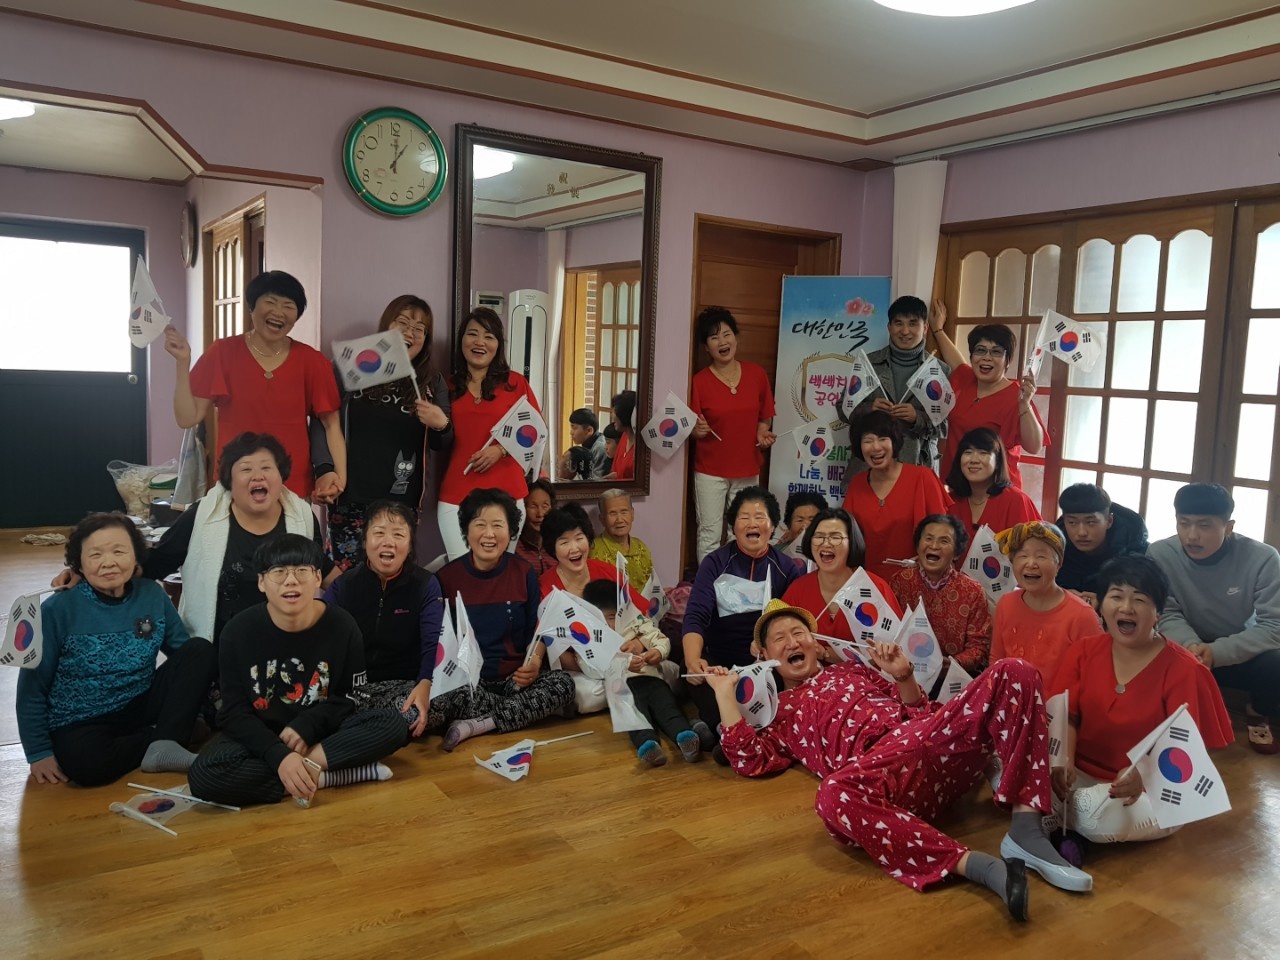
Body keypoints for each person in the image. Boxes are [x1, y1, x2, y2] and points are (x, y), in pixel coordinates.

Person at [712, 599, 1092, 918]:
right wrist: (724, 694)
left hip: (932, 741)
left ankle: (1026, 828)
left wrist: (904, 675)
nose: (792, 642)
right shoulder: (778, 712)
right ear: (764, 655)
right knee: (832, 794)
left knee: (1016, 670)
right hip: (888, 778)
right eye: (779, 639)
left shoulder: (852, 669)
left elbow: (919, 711)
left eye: (799, 633)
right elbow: (749, 758)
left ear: (816, 643)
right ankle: (975, 866)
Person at [50, 432, 333, 645]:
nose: (257, 476)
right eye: (246, 469)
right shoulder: (203, 516)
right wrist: (86, 573)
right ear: (229, 482)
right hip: (217, 645)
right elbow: (156, 564)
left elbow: (321, 568)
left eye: (267, 468)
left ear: (281, 476)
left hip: (286, 641)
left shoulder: (301, 516)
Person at [187, 535, 408, 807]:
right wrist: (278, 755)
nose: (291, 581)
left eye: (302, 570)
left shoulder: (342, 625)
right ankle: (329, 776)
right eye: (278, 572)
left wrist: (308, 726)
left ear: (317, 578)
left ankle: (304, 771)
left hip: (323, 734)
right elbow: (233, 712)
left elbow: (351, 697)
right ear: (261, 582)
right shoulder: (237, 633)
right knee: (204, 776)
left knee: (394, 724)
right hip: (264, 737)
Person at [1047, 556, 1233, 858]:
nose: (1126, 608)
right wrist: (1063, 760)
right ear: (1101, 605)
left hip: (1150, 793)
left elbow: (1185, 753)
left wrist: (1145, 776)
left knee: (1093, 813)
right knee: (1009, 766)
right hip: (1082, 775)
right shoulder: (1083, 651)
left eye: (1140, 599)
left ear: (1158, 612)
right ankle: (1065, 824)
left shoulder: (1184, 670)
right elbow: (1067, 716)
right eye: (1116, 596)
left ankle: (1055, 821)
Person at [18, 512, 216, 786]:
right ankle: (163, 738)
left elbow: (183, 653)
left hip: (139, 702)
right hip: (82, 719)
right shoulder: (57, 610)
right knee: (85, 765)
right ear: (79, 564)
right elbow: (31, 687)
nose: (108, 562)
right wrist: (38, 751)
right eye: (95, 555)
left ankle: (164, 743)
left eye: (119, 551)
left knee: (200, 650)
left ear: (136, 557)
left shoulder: (152, 594)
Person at [163, 270, 343, 499]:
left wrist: (339, 479)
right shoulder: (223, 352)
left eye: (288, 306)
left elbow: (331, 425)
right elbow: (187, 418)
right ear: (252, 307)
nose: (279, 312)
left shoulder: (312, 361)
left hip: (292, 488)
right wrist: (182, 362)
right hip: (236, 485)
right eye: (270, 302)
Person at [311, 295, 453, 569]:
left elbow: (442, 441)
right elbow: (322, 421)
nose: (410, 333)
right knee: (345, 580)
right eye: (403, 322)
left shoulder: (431, 382)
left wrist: (441, 423)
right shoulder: (353, 366)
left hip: (401, 502)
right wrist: (324, 469)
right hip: (350, 496)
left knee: (394, 578)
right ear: (386, 325)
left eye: (420, 329)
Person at [431, 488, 576, 750]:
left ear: (510, 532)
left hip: (515, 681)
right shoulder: (446, 578)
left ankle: (478, 723)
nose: (489, 534)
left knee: (563, 684)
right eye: (480, 525)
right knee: (439, 700)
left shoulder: (522, 572)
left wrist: (534, 663)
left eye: (497, 525)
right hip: (468, 685)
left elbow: (537, 630)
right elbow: (440, 645)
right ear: (466, 531)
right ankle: (513, 714)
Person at [1147, 483, 1280, 753]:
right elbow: (1165, 611)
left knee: (1274, 662)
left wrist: (1215, 652)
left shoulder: (1263, 558)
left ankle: (1257, 712)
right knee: (1143, 642)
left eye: (1204, 526)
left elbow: (1273, 625)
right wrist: (1191, 646)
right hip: (1184, 645)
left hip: (1237, 646)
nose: (1191, 535)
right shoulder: (1160, 554)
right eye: (1183, 523)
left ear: (1228, 527)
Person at [682, 486, 801, 736]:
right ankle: (724, 730)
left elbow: (792, 623)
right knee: (696, 672)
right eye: (744, 517)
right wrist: (693, 661)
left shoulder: (787, 568)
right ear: (733, 526)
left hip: (765, 662)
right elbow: (696, 615)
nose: (752, 523)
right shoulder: (715, 563)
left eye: (760, 517)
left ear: (772, 526)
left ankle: (726, 732)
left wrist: (767, 649)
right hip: (719, 662)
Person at [323, 501, 443, 738]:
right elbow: (322, 636)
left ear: (409, 545)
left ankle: (359, 731)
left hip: (406, 686)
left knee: (426, 707)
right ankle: (372, 731)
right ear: (364, 540)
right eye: (379, 533)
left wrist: (425, 682)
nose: (388, 541)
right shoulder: (344, 586)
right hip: (354, 690)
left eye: (398, 534)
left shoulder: (425, 584)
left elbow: (434, 643)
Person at [436, 308, 542, 561]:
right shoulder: (446, 386)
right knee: (461, 570)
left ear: (498, 345)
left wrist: (501, 449)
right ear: (461, 340)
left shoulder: (515, 383)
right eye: (472, 334)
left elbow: (535, 431)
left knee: (499, 571)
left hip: (508, 493)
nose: (480, 342)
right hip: (456, 494)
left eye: (489, 336)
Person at [583, 580, 707, 767]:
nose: (609, 624)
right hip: (621, 688)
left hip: (651, 677)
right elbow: (589, 666)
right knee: (636, 719)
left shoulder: (635, 621)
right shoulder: (590, 639)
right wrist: (623, 663)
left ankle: (685, 736)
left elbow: (659, 638)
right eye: (602, 618)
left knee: (668, 708)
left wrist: (657, 652)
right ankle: (648, 746)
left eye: (613, 616)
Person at [537, 503, 647, 712]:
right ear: (553, 547)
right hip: (580, 667)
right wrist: (599, 667)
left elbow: (642, 613)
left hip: (624, 655)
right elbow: (551, 644)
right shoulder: (545, 587)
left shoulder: (607, 571)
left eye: (579, 538)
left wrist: (639, 644)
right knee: (587, 696)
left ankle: (631, 689)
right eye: (564, 542)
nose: (575, 548)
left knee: (667, 671)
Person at [688, 307, 777, 562]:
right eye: (714, 337)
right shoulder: (699, 382)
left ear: (736, 338)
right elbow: (692, 427)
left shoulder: (756, 374)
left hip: (747, 467)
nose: (722, 342)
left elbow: (765, 416)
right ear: (706, 347)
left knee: (742, 531)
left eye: (727, 334)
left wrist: (762, 432)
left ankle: (737, 580)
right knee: (710, 533)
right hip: (710, 471)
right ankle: (708, 582)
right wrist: (696, 430)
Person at [930, 302, 1046, 489]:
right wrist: (937, 330)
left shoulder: (1016, 396)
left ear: (1007, 361)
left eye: (996, 352)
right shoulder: (967, 379)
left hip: (995, 489)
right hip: (958, 484)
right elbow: (956, 361)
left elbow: (1034, 446)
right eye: (980, 350)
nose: (986, 357)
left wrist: (1025, 404)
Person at [838, 295, 950, 479]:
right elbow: (843, 409)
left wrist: (917, 418)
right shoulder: (867, 364)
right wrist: (869, 409)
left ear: (925, 328)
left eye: (913, 323)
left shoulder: (939, 370)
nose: (905, 331)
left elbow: (946, 426)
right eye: (898, 323)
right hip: (868, 467)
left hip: (917, 466)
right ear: (889, 327)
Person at [841, 410, 948, 580]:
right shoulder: (857, 484)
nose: (876, 447)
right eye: (868, 441)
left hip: (917, 581)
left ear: (895, 442)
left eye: (883, 439)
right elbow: (846, 536)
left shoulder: (922, 477)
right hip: (868, 584)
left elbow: (945, 533)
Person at [991, 522, 1100, 679]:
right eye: (1023, 556)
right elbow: (996, 660)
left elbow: (1095, 675)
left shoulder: (1082, 616)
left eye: (1041, 556)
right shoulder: (1005, 604)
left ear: (1058, 564)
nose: (1031, 564)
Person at [780, 507, 901, 648]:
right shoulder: (798, 589)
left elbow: (898, 647)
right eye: (819, 536)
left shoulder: (875, 587)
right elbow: (779, 635)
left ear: (852, 542)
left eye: (835, 537)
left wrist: (828, 654)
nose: (826, 543)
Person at [890, 515, 993, 676]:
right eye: (928, 538)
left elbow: (979, 647)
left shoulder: (972, 591)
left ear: (956, 553)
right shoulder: (900, 581)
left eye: (944, 541)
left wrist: (953, 663)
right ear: (918, 546)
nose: (934, 545)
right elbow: (889, 631)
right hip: (906, 671)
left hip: (954, 676)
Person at [1056, 483, 1149, 608]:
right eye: (1072, 522)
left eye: (1091, 522)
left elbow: (1145, 603)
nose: (1081, 532)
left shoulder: (1137, 552)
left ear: (1109, 521)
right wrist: (1059, 593)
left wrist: (1105, 602)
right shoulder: (1055, 548)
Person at [945, 428, 1040, 542]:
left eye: (983, 453)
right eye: (968, 452)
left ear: (998, 462)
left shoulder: (1017, 500)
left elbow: (1035, 546)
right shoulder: (950, 502)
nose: (974, 460)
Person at [589, 488, 654, 587]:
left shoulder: (641, 547)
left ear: (632, 514)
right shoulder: (594, 551)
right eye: (612, 513)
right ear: (602, 519)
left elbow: (651, 584)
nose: (619, 520)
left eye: (624, 512)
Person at [515, 479, 557, 576]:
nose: (540, 514)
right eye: (533, 506)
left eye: (545, 506)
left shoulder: (558, 544)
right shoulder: (514, 548)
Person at [774, 491, 826, 561]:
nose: (805, 527)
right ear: (789, 524)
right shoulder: (775, 553)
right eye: (800, 520)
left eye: (812, 520)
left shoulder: (831, 552)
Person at [559, 407, 607, 480]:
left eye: (574, 428)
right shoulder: (588, 443)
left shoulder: (600, 448)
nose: (571, 432)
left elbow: (597, 480)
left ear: (589, 430)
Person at [605, 390, 639, 481]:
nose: (612, 416)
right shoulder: (624, 436)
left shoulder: (641, 446)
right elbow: (618, 473)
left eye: (615, 412)